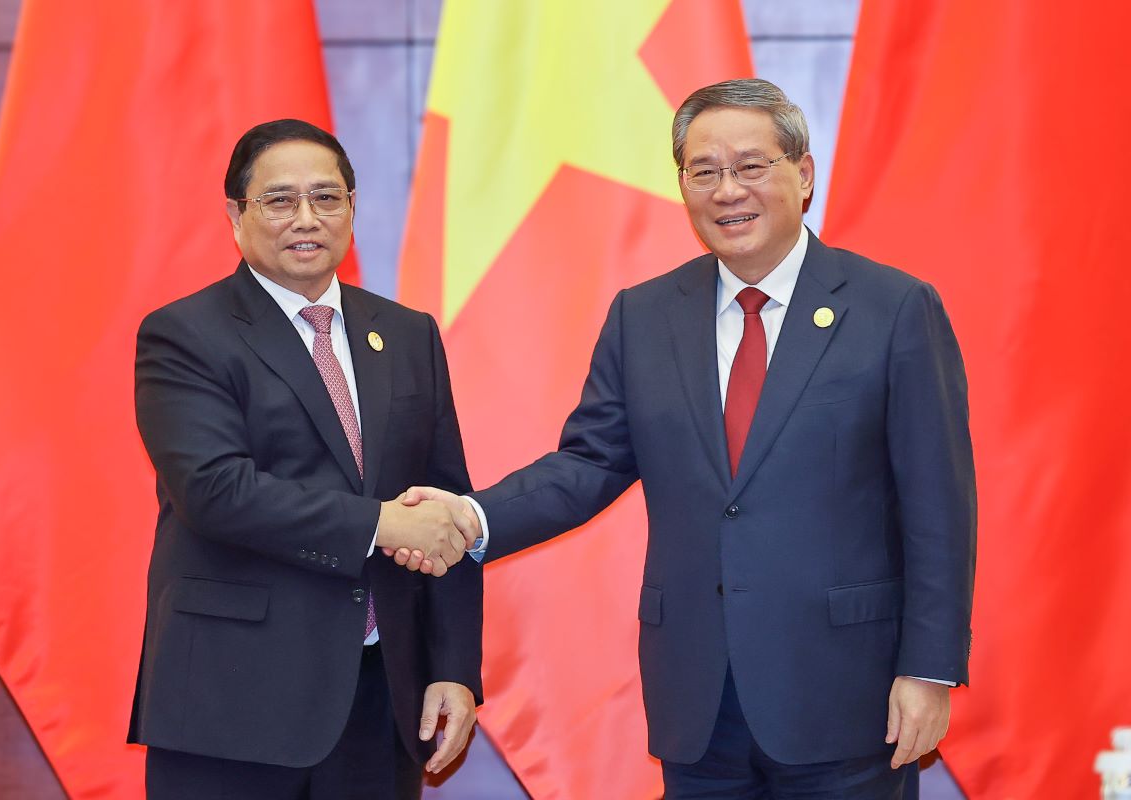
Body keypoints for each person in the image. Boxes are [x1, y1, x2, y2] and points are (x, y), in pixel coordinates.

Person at [399, 79, 975, 798]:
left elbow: (938, 509)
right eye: (703, 171)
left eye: (751, 166)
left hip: (848, 693)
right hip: (697, 699)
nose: (727, 189)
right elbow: (588, 464)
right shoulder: (645, 316)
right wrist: (468, 517)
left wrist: (929, 669)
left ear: (803, 175)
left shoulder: (893, 308)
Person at [128, 119, 482, 800]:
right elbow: (214, 489)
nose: (306, 218)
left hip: (381, 702)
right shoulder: (185, 334)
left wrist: (454, 667)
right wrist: (378, 524)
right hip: (234, 703)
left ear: (351, 207)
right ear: (236, 214)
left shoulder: (407, 334)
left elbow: (445, 508)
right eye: (279, 200)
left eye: (327, 198)